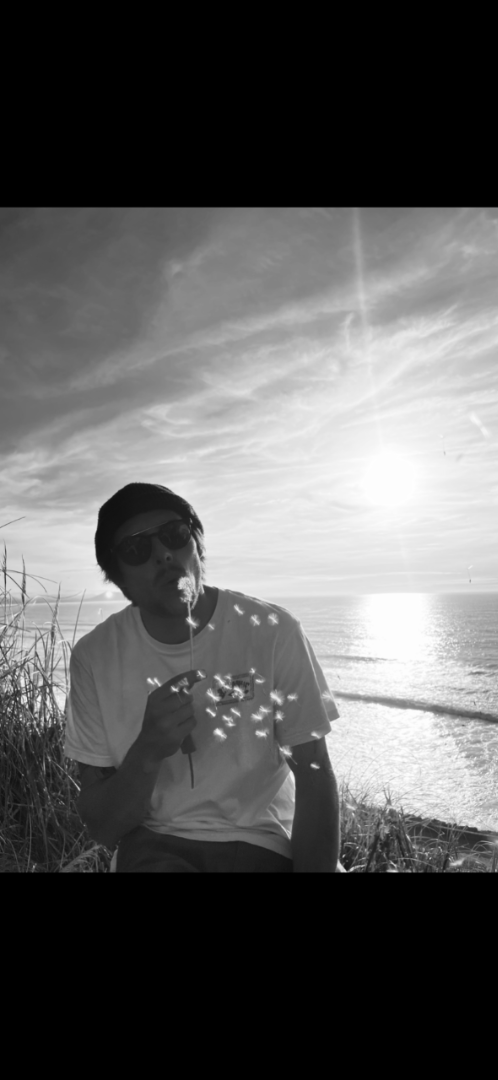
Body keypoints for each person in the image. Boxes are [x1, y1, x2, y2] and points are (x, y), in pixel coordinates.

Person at [64, 482, 345, 872]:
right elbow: (103, 825)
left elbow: (314, 772)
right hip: (156, 845)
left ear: (197, 544)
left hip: (263, 842)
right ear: (118, 579)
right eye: (136, 549)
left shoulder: (272, 631)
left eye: (174, 534)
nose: (163, 554)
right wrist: (148, 749)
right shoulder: (95, 657)